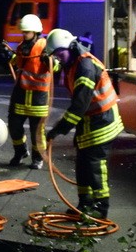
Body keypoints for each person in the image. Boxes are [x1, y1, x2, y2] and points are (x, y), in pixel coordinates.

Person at [44, 28, 124, 219]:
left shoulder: (85, 67)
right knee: (82, 162)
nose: (57, 58)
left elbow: (80, 105)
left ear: (69, 47)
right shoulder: (72, 61)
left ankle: (101, 207)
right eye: (54, 55)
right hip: (91, 119)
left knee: (94, 163)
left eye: (58, 54)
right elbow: (53, 66)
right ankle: (85, 203)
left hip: (102, 121)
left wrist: (59, 129)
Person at [3, 13, 50, 170]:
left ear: (35, 32)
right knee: (14, 125)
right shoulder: (23, 45)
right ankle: (21, 152)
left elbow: (56, 66)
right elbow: (19, 63)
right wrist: (9, 56)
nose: (24, 34)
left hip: (38, 95)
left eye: (26, 32)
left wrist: (50, 61)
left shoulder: (45, 46)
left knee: (37, 131)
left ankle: (38, 158)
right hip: (21, 93)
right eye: (23, 32)